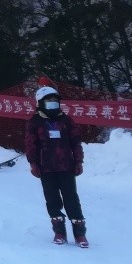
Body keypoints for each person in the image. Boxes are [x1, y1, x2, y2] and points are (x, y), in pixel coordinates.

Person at [25, 86, 88, 247]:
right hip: (46, 167)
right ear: (40, 103)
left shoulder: (66, 120)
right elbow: (30, 144)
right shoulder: (35, 122)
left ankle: (80, 233)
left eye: (55, 101)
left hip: (66, 166)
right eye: (48, 101)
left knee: (71, 198)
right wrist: (33, 163)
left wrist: (79, 161)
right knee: (52, 199)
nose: (52, 103)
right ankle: (59, 232)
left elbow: (76, 142)